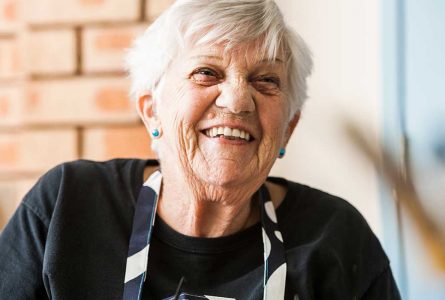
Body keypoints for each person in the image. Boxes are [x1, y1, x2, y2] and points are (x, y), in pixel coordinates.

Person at [0, 0, 401, 299]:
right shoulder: (68, 207)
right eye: (207, 72)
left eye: (265, 81)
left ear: (288, 129)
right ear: (151, 110)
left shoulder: (336, 238)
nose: (237, 100)